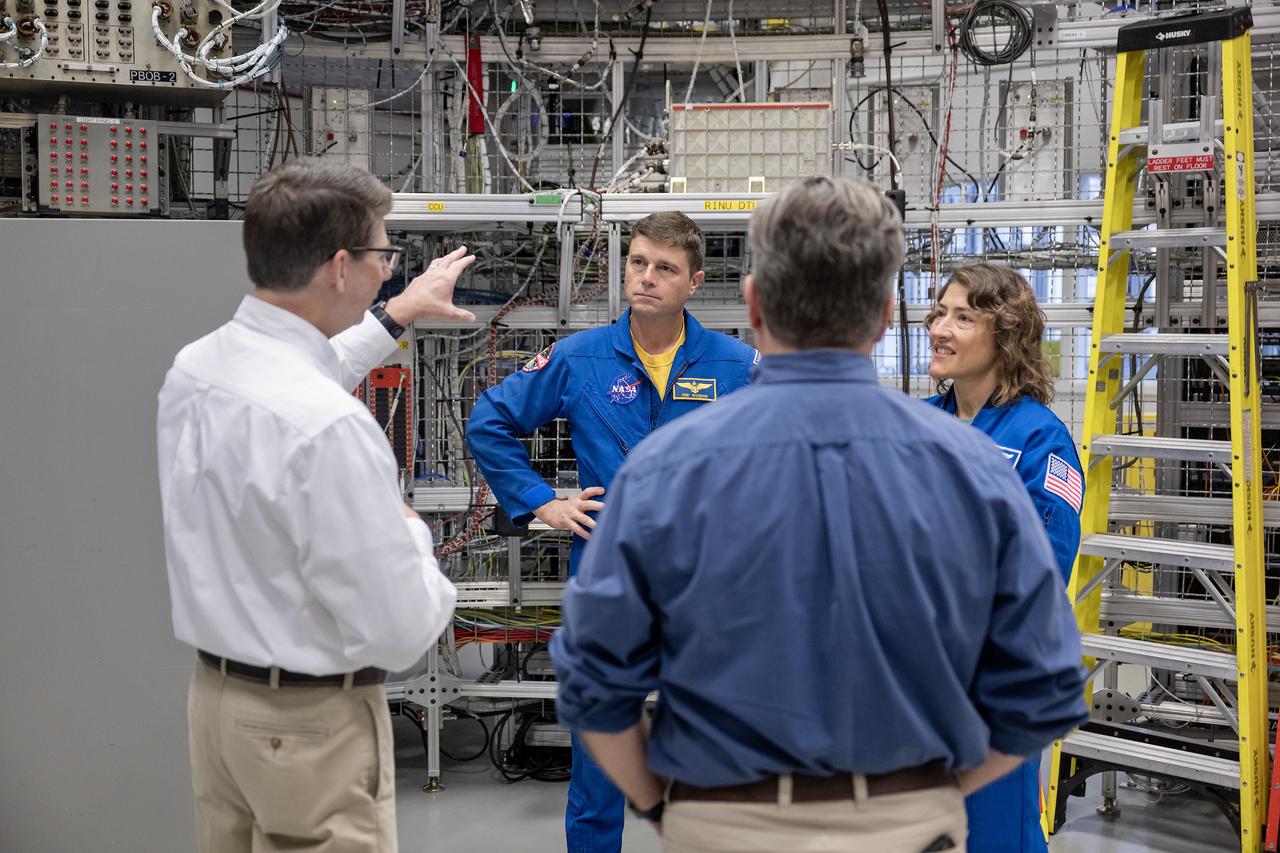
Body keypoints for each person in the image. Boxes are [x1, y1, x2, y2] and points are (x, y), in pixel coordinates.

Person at [548, 176, 1087, 853]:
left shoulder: (662, 469)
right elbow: (1044, 682)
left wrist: (664, 804)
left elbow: (593, 680)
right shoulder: (971, 466)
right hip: (900, 816)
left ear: (752, 303)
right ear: (887, 313)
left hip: (724, 816)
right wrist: (932, 796)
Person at [157, 158, 472, 853]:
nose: (386, 269)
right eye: (383, 254)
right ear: (338, 265)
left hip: (218, 706)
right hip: (306, 727)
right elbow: (400, 630)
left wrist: (400, 311)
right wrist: (411, 532)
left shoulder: (197, 369)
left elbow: (305, 368)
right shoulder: (329, 426)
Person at [466, 210, 757, 853]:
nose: (647, 278)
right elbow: (489, 422)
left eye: (665, 269)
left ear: (694, 283)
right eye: (637, 262)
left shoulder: (739, 365)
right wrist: (542, 501)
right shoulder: (578, 358)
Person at [923, 262, 1085, 853]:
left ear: (1007, 336)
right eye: (940, 312)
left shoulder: (1041, 439)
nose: (941, 327)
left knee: (993, 837)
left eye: (964, 317)